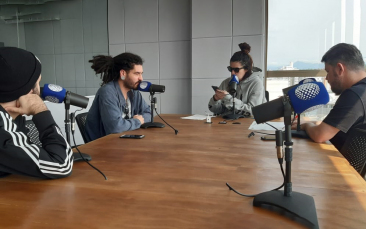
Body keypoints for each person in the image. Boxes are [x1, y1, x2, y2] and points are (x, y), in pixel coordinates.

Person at [0, 47, 73, 179]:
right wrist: (41, 111)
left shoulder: (12, 118)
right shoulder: (2, 130)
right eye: (38, 83)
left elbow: (27, 155)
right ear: (29, 92)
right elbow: (61, 165)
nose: (40, 89)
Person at [294, 43, 366, 152]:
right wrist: (314, 123)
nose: (327, 78)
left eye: (328, 72)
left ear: (339, 69)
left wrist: (305, 125)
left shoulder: (354, 95)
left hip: (342, 166)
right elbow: (334, 126)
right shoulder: (361, 91)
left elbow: (320, 135)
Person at [85, 52, 151, 142]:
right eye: (137, 74)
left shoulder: (134, 92)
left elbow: (149, 113)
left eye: (141, 74)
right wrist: (137, 121)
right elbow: (115, 127)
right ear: (123, 73)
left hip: (124, 141)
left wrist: (135, 121)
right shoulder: (108, 92)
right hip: (103, 146)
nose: (141, 79)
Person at [208, 42, 266, 117]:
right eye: (230, 69)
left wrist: (229, 99)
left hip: (247, 124)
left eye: (236, 69)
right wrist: (215, 99)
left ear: (246, 69)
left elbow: (253, 111)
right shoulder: (226, 82)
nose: (232, 73)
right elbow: (217, 110)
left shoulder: (256, 83)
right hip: (227, 123)